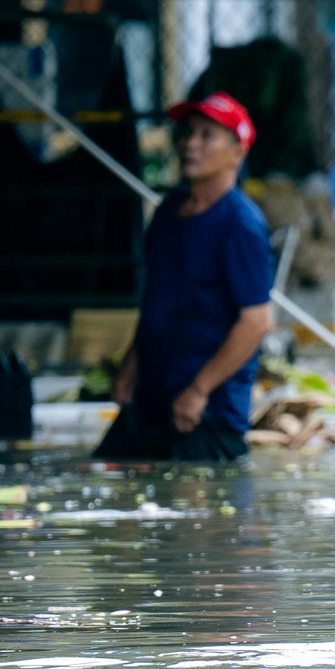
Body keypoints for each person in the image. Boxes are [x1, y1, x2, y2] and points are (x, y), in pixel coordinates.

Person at [93, 93, 275, 462]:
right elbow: (159, 302)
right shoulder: (169, 212)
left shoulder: (240, 225)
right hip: (151, 399)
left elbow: (256, 322)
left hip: (203, 413)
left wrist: (199, 390)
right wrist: (130, 367)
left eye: (208, 136)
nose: (190, 144)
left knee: (201, 512)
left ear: (237, 153)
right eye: (188, 133)